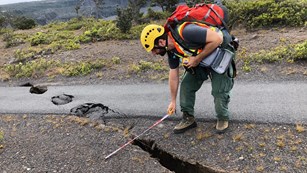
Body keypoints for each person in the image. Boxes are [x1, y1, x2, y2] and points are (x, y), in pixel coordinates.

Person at [140, 19, 235, 134]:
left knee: (218, 91)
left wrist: (197, 59)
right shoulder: (171, 50)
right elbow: (173, 75)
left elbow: (217, 39)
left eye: (154, 50)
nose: (154, 53)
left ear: (160, 42)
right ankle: (188, 118)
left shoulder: (186, 32)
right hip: (200, 60)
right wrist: (173, 101)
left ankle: (222, 118)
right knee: (186, 85)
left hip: (220, 55)